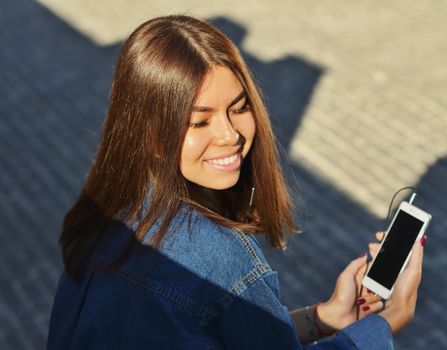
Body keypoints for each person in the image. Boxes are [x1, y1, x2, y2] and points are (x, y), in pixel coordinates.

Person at [47, 15, 425, 349]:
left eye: (240, 108)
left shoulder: (102, 218)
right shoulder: (223, 259)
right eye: (200, 121)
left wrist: (321, 318)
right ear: (151, 136)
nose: (231, 135)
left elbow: (205, 330)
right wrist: (385, 324)